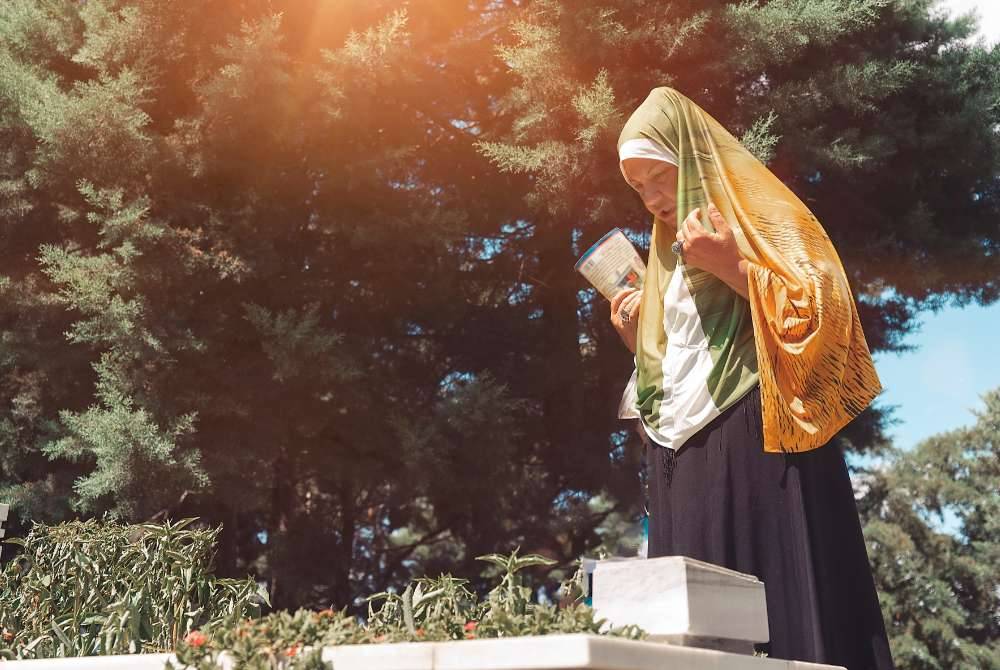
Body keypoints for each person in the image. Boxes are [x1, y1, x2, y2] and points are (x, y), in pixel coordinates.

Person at [609, 87, 896, 669]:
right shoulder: (663, 256)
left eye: (659, 175)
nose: (653, 198)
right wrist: (637, 340)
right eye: (638, 187)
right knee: (694, 639)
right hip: (681, 465)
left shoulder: (763, 216)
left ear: (692, 158)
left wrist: (732, 265)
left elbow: (824, 313)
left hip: (757, 443)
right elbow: (681, 367)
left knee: (773, 619)